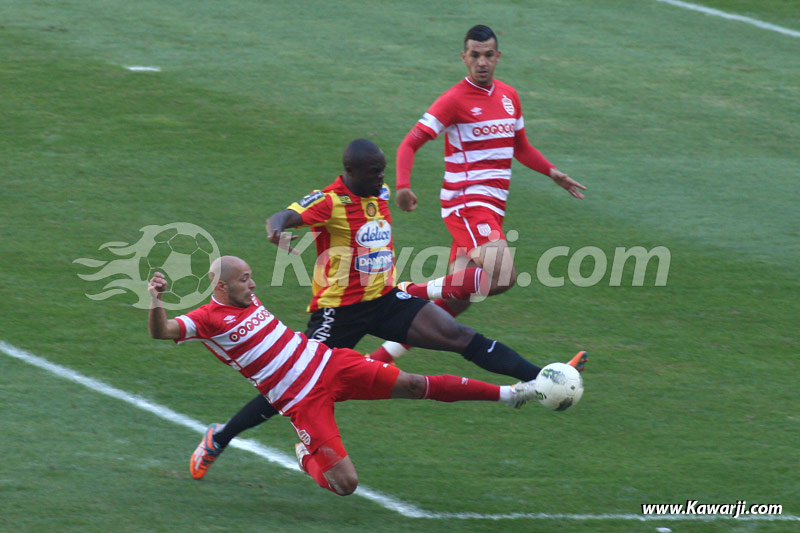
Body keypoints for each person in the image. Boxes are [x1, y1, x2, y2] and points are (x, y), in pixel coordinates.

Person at [187, 139, 587, 480]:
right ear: (350, 171)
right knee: (290, 388)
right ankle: (219, 438)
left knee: (459, 336)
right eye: (374, 173)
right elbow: (286, 214)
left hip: (383, 299)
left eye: (383, 172)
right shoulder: (329, 202)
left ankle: (543, 379)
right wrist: (277, 227)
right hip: (338, 312)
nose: (382, 180)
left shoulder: (376, 194)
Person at [148, 256, 544, 495]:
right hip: (301, 401)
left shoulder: (248, 297)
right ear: (221, 286)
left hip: (330, 362)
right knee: (345, 484)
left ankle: (513, 394)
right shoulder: (205, 319)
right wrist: (156, 301)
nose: (253, 285)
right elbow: (162, 332)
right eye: (244, 280)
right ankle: (306, 457)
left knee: (412, 384)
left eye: (251, 277)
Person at [370, 25, 588, 364]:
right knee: (502, 276)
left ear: (498, 57)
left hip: (491, 207)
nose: (482, 62)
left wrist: (552, 172)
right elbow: (410, 143)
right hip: (467, 203)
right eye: (475, 55)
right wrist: (402, 186)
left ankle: (377, 360)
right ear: (464, 57)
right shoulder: (454, 100)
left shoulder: (509, 96)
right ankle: (407, 290)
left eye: (488, 55)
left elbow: (521, 147)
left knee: (456, 301)